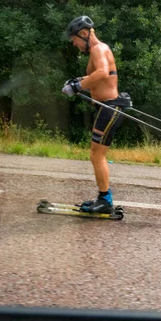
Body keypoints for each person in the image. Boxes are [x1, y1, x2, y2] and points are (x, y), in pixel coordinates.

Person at [62, 16, 125, 214]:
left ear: (84, 33)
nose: (74, 44)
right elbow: (96, 75)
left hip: (109, 109)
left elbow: (103, 73)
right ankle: (103, 197)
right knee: (95, 155)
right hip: (107, 108)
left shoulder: (98, 49)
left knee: (97, 156)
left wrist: (78, 86)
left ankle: (105, 200)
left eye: (74, 40)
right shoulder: (98, 50)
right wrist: (77, 81)